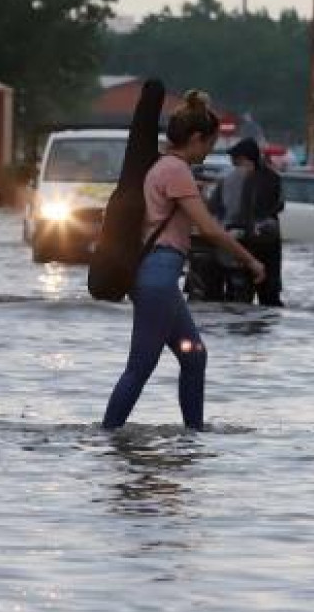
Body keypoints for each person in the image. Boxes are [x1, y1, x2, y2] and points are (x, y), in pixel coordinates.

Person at [104, 91, 266, 432]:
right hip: (158, 278)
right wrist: (251, 261)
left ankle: (194, 436)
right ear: (195, 138)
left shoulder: (161, 166)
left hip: (157, 276)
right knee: (140, 366)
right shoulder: (176, 170)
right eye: (209, 144)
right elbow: (209, 229)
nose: (209, 151)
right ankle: (108, 437)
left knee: (194, 356)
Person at [208, 138, 284, 306]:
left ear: (246, 159)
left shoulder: (270, 179)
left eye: (236, 160)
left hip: (263, 244)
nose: (234, 165)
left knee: (268, 296)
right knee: (238, 297)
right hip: (239, 244)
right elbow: (215, 209)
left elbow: (273, 207)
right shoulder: (228, 181)